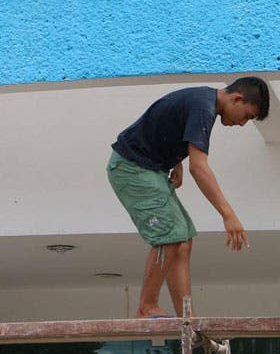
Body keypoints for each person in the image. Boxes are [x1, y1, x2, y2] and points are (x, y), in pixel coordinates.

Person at [107, 77, 270, 318]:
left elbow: (168, 125)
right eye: (246, 116)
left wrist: (175, 161)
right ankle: (146, 307)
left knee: (182, 241)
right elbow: (200, 167)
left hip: (149, 167)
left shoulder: (202, 102)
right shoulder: (204, 107)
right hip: (133, 168)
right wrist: (228, 215)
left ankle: (187, 317)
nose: (242, 123)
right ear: (237, 98)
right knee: (170, 236)